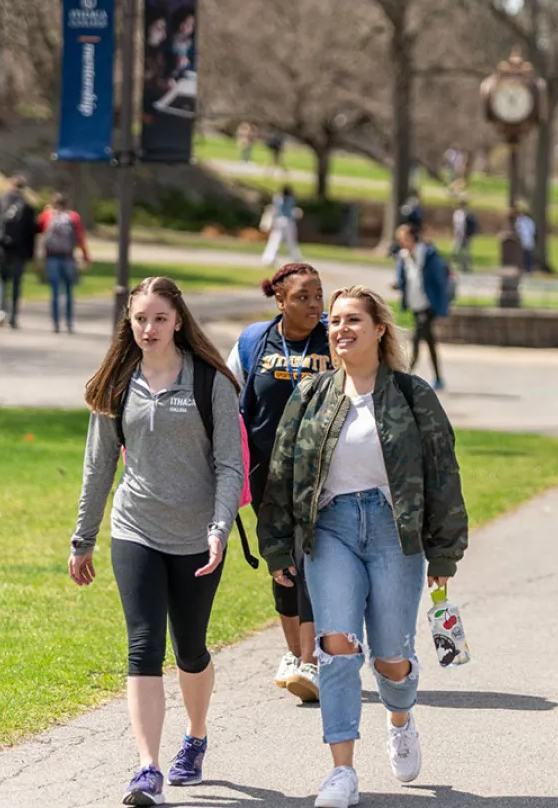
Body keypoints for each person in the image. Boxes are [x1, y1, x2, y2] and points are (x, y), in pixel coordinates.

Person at [257, 285, 468, 808]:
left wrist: (444, 551)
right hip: (331, 530)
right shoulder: (311, 395)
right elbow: (282, 470)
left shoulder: (413, 395)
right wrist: (277, 546)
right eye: (334, 321)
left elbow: (442, 471)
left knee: (392, 657)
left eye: (353, 319)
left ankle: (400, 719)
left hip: (395, 531)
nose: (341, 329)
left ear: (379, 330)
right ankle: (342, 772)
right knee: (336, 647)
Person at [68, 276, 244, 805]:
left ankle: (196, 735)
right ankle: (148, 769)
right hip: (136, 528)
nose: (149, 328)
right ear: (130, 321)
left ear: (178, 321)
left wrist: (218, 528)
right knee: (143, 645)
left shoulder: (211, 382)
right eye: (140, 318)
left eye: (159, 318)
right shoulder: (117, 382)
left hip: (197, 535)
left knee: (189, 648)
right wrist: (83, 538)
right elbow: (98, 466)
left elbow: (229, 465)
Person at [226, 263, 332, 702]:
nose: (314, 304)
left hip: (323, 477)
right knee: (282, 561)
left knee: (310, 560)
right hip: (266, 474)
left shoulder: (333, 339)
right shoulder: (255, 341)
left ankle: (312, 660)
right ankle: (294, 655)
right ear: (280, 300)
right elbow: (227, 398)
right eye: (303, 297)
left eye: (318, 295)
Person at [395, 224, 450, 391]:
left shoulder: (428, 255)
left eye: (405, 239)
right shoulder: (403, 257)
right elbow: (404, 279)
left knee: (417, 339)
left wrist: (442, 307)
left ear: (413, 238)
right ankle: (438, 378)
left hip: (428, 304)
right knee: (429, 341)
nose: (403, 243)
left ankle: (405, 377)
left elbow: (439, 281)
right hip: (415, 304)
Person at [0, 175, 37, 329]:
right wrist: (31, 254)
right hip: (19, 251)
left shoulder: (0, 201)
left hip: (1, 248)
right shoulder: (27, 206)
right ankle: (13, 317)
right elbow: (31, 233)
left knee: (2, 280)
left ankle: (1, 310)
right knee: (16, 283)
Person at [37, 192, 90, 334]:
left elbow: (38, 229)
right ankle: (69, 322)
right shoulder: (73, 217)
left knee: (55, 291)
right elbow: (80, 237)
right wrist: (86, 256)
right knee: (68, 291)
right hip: (68, 257)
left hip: (52, 257)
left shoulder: (47, 216)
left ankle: (55, 322)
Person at [262, 185, 301, 266]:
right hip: (288, 221)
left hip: (279, 220)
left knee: (275, 240)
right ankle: (295, 257)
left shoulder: (277, 198)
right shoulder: (290, 199)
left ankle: (269, 258)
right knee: (290, 241)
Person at [451, 201, 477, 273]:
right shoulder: (462, 214)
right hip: (463, 235)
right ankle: (464, 266)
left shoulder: (462, 214)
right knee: (462, 251)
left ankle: (465, 266)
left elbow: (461, 226)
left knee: (462, 251)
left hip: (464, 235)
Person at [514, 209, 537, 273]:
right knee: (525, 253)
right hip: (524, 239)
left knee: (528, 253)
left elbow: (531, 230)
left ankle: (529, 267)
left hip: (527, 239)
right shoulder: (521, 221)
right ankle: (525, 267)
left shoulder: (526, 221)